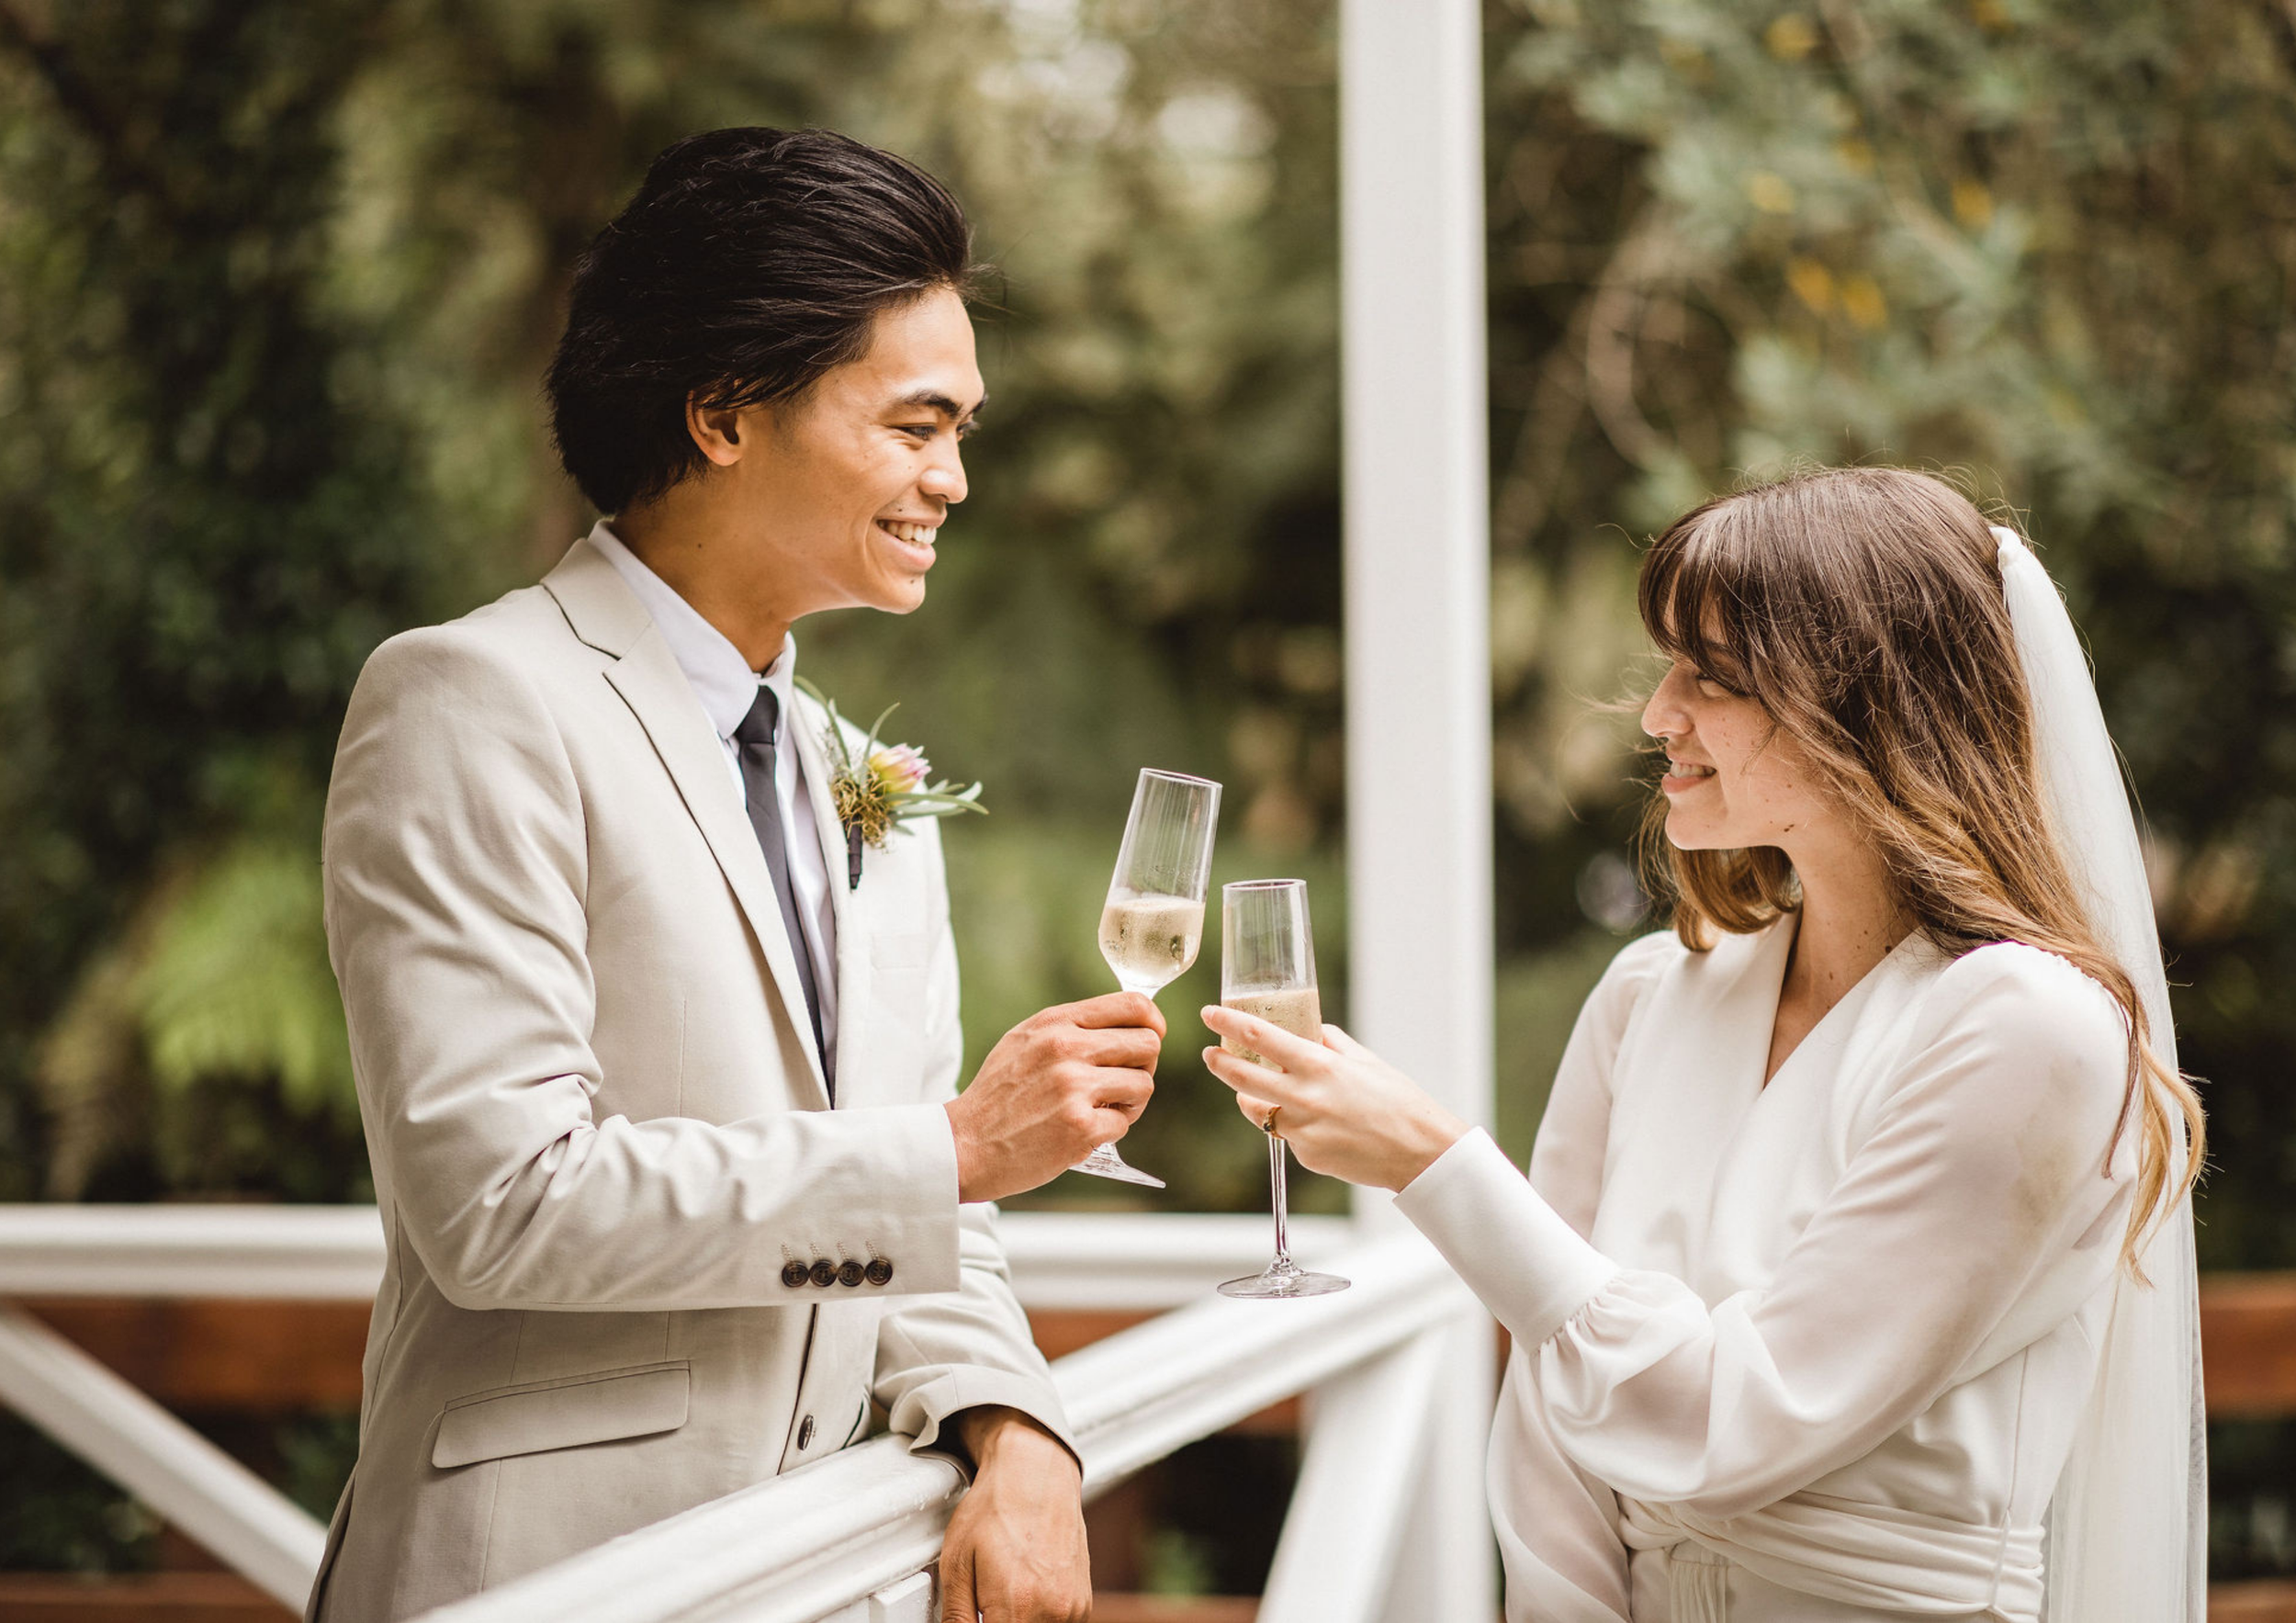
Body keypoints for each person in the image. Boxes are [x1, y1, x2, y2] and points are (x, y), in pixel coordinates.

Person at [311, 127, 1163, 1623]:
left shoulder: (866, 773)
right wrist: (957, 1147)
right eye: (915, 424)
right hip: (552, 1580)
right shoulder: (472, 698)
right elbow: (505, 1202)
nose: (953, 478)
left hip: (828, 1568)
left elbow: (927, 1224)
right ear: (721, 411)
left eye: (963, 429)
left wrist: (1016, 1432)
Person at [1201, 468, 2207, 1622]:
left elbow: (1738, 1418)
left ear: (1866, 710)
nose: (1655, 714)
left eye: (1712, 677)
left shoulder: (2027, 1028)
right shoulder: (1648, 997)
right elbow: (1549, 1417)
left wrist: (1437, 1164)